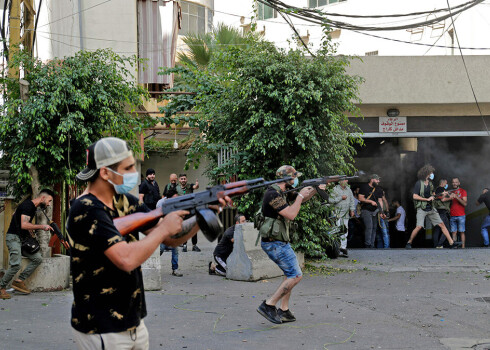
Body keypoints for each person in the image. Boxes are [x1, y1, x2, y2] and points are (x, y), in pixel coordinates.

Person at [67, 137, 229, 350]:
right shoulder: (85, 208)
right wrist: (163, 228)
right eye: (128, 167)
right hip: (101, 327)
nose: (135, 172)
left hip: (133, 322)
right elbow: (126, 259)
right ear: (105, 172)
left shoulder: (125, 201)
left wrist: (205, 211)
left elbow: (171, 237)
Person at [257, 165, 315, 324]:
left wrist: (316, 189)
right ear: (287, 179)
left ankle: (284, 310)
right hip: (274, 244)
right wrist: (300, 196)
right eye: (294, 177)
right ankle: (269, 305)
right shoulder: (273, 194)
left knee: (289, 273)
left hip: (279, 242)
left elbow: (301, 199)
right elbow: (291, 214)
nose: (296, 180)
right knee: (295, 275)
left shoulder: (281, 192)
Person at [0, 190, 55, 299]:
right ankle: (1, 288)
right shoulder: (28, 206)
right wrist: (42, 227)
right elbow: (24, 225)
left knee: (38, 258)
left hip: (22, 240)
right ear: (43, 198)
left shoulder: (32, 208)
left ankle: (19, 281)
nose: (49, 204)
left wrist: (31, 234)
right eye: (49, 201)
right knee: (16, 264)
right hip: (14, 238)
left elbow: (18, 217)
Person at [405, 165, 460, 249]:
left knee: (442, 225)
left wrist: (442, 194)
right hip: (422, 208)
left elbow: (433, 196)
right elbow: (414, 196)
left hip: (431, 208)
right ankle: (409, 242)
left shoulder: (430, 184)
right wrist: (426, 199)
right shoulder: (419, 183)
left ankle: (451, 243)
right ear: (427, 173)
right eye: (431, 173)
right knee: (419, 226)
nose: (432, 174)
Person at [156, 187, 183, 277]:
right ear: (168, 198)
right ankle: (152, 264)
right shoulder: (160, 203)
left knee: (175, 248)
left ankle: (175, 269)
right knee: (161, 248)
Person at [328, 178, 355, 257]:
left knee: (345, 231)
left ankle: (343, 248)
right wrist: (340, 198)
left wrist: (352, 210)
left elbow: (352, 200)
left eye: (347, 180)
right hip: (337, 214)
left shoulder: (349, 190)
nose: (347, 181)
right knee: (338, 231)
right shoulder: (335, 189)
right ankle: (337, 249)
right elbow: (330, 200)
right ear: (340, 181)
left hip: (346, 214)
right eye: (345, 180)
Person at [358, 174, 384, 248]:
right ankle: (367, 244)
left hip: (375, 211)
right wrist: (370, 201)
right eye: (377, 179)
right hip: (366, 210)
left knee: (374, 228)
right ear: (372, 179)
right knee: (369, 227)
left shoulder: (379, 189)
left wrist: (381, 212)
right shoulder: (364, 187)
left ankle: (371, 245)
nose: (378, 181)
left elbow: (380, 201)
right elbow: (360, 198)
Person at [177, 173, 201, 252]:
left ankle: (194, 245)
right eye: (182, 179)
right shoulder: (177, 188)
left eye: (184, 179)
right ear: (179, 180)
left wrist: (197, 185)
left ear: (186, 179)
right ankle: (184, 245)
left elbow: (195, 187)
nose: (183, 180)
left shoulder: (190, 186)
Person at [433, 179, 452, 248]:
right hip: (442, 212)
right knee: (447, 228)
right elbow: (442, 199)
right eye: (446, 183)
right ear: (443, 183)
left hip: (436, 212)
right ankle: (439, 244)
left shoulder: (436, 190)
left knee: (437, 229)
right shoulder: (441, 189)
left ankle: (435, 245)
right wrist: (450, 197)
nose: (446, 185)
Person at [449, 177, 468, 248]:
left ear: (459, 183)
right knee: (454, 232)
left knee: (462, 231)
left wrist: (456, 197)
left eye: (456, 182)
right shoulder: (450, 192)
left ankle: (463, 247)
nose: (454, 183)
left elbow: (465, 204)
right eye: (453, 182)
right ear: (452, 183)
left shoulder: (463, 191)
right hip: (452, 214)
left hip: (461, 215)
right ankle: (455, 246)